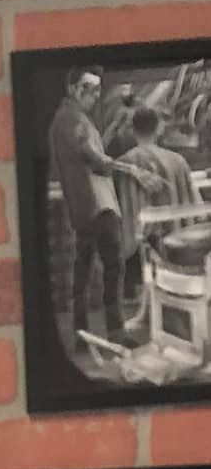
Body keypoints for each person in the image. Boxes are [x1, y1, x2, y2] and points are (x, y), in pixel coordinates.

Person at [49, 66, 162, 343]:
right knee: (113, 265)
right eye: (91, 89)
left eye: (99, 89)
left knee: (84, 268)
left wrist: (110, 131)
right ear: (74, 89)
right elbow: (97, 160)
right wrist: (135, 171)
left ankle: (81, 333)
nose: (97, 96)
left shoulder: (70, 120)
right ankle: (115, 331)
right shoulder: (72, 120)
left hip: (86, 206)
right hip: (97, 205)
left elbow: (93, 153)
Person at [116, 103, 200, 309]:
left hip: (138, 245)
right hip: (175, 243)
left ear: (133, 130)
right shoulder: (177, 160)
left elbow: (122, 212)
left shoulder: (126, 163)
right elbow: (195, 205)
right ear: (159, 129)